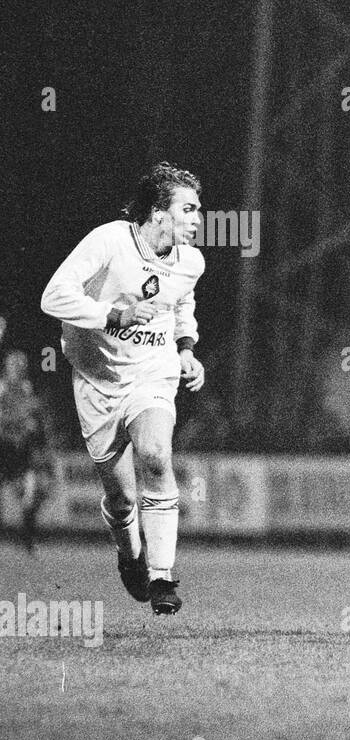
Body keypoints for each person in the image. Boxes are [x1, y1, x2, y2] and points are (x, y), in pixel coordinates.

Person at [40, 163, 207, 615]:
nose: (198, 219)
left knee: (155, 453)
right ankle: (129, 555)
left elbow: (181, 306)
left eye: (199, 209)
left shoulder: (190, 261)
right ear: (158, 213)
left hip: (152, 373)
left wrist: (186, 349)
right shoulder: (111, 240)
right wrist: (112, 316)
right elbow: (53, 296)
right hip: (96, 380)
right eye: (188, 209)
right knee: (121, 495)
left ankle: (162, 577)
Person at [0, 350, 54, 553]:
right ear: (7, 368)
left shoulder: (27, 388)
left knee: (32, 492)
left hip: (22, 450)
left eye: (21, 366)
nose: (18, 370)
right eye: (14, 366)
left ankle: (28, 541)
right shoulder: (2, 388)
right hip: (4, 447)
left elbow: (33, 417)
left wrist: (32, 425)